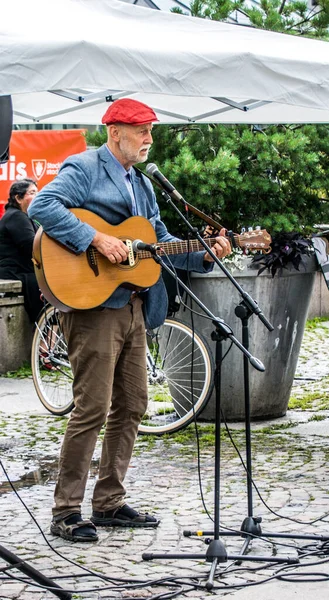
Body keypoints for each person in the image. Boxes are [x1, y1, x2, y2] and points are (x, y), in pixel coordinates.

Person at [28, 98, 231, 542]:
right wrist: (96, 238)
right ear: (115, 132)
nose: (149, 140)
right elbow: (42, 207)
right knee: (92, 408)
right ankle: (65, 511)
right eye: (142, 131)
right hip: (92, 307)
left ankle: (109, 502)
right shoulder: (83, 167)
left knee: (134, 403)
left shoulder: (142, 184)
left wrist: (205, 252)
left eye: (150, 131)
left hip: (134, 305)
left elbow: (160, 241)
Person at [0, 178, 43, 323]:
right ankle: (44, 340)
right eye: (32, 193)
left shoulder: (25, 217)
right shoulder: (16, 216)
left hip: (23, 270)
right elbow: (33, 246)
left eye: (37, 192)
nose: (37, 196)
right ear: (18, 198)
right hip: (15, 272)